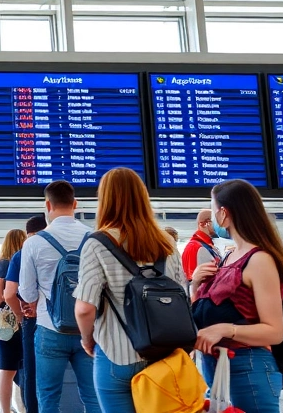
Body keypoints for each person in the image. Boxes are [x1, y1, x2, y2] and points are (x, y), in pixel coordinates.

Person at [74, 168, 187, 412]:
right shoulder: (166, 242)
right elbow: (182, 294)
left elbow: (84, 308)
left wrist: (87, 340)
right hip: (166, 355)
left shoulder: (97, 243)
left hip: (117, 355)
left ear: (105, 200)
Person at [191, 179, 283, 413]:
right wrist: (196, 284)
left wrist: (226, 329)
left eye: (212, 207)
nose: (211, 217)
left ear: (223, 213)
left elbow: (274, 331)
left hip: (248, 368)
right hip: (221, 368)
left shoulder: (259, 260)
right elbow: (205, 314)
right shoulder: (229, 257)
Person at [18, 181, 100, 413]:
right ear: (75, 204)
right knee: (93, 397)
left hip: (49, 328)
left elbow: (26, 292)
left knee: (49, 398)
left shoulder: (34, 243)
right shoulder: (95, 238)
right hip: (90, 330)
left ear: (47, 205)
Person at [5, 215, 47, 413]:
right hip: (59, 319)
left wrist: (21, 315)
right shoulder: (56, 249)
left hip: (32, 321)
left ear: (28, 235)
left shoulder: (21, 254)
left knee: (30, 372)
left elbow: (8, 294)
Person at [0, 228, 27, 413]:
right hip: (18, 317)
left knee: (6, 370)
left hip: (3, 320)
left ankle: (5, 410)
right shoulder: (18, 263)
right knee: (20, 368)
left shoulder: (1, 264)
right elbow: (4, 296)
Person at [182, 209, 222, 282]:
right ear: (204, 224)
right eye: (216, 222)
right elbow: (191, 280)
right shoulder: (194, 247)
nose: (220, 225)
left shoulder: (207, 246)